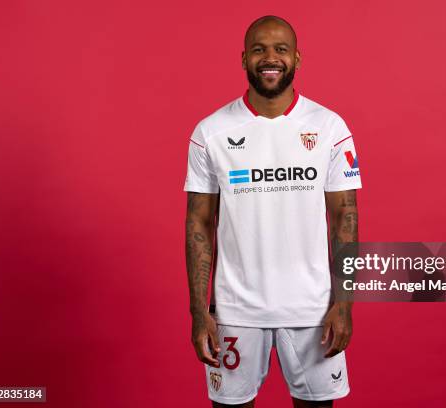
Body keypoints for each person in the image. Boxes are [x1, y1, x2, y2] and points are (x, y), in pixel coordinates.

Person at [184, 15, 361, 408]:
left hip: (312, 310)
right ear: (243, 57)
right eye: (259, 49)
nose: (270, 57)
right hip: (235, 311)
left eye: (281, 49)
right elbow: (199, 222)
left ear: (297, 59)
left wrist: (344, 303)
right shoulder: (210, 132)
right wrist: (200, 312)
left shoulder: (330, 127)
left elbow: (345, 216)